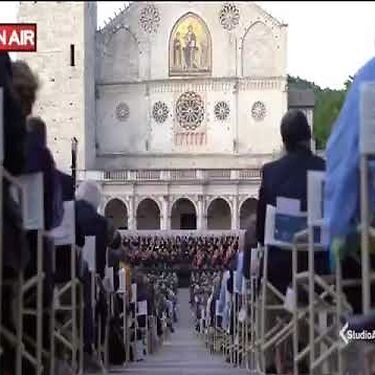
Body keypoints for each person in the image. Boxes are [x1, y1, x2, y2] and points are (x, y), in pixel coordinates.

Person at [256, 109, 327, 294]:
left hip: (279, 271)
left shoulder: (270, 172)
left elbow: (261, 233)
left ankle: (272, 322)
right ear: (309, 134)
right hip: (319, 267)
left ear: (283, 140)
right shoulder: (324, 168)